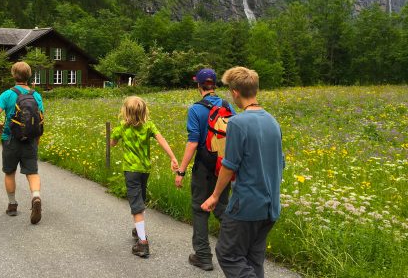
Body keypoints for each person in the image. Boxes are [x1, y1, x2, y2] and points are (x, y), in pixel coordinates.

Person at [201, 67, 285, 278]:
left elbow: (229, 166)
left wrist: (215, 196)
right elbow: (280, 163)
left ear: (235, 92)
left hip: (246, 205)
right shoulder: (273, 122)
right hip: (270, 206)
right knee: (252, 259)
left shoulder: (238, 123)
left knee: (227, 253)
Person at [175, 68, 235, 271]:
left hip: (203, 165)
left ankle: (203, 256)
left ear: (199, 86)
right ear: (215, 85)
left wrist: (181, 171)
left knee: (200, 209)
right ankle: (236, 250)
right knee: (221, 207)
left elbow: (192, 143)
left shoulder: (195, 109)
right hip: (223, 165)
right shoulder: (228, 106)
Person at [110, 96, 178, 258]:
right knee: (141, 198)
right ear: (144, 111)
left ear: (125, 112)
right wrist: (173, 157)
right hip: (145, 170)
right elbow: (162, 140)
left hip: (131, 170)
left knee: (136, 204)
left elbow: (112, 143)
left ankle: (142, 243)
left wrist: (113, 136)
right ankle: (138, 228)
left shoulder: (121, 127)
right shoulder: (149, 126)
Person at [0, 61, 44, 224]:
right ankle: (36, 197)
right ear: (29, 75)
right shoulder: (36, 95)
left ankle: (12, 205)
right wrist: (36, 140)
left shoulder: (7, 94)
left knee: (10, 172)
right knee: (32, 172)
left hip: (10, 139)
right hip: (31, 140)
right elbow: (39, 120)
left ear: (13, 75)